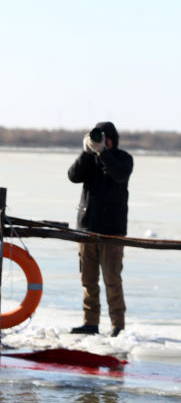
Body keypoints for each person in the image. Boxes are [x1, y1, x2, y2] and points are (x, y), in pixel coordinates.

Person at [68, 121, 133, 337]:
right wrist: (87, 153)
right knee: (88, 280)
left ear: (111, 140)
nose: (98, 141)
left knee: (112, 280)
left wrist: (103, 153)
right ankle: (90, 323)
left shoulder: (124, 159)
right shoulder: (90, 159)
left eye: (102, 138)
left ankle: (118, 325)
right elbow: (73, 176)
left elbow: (119, 175)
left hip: (112, 232)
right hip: (86, 230)